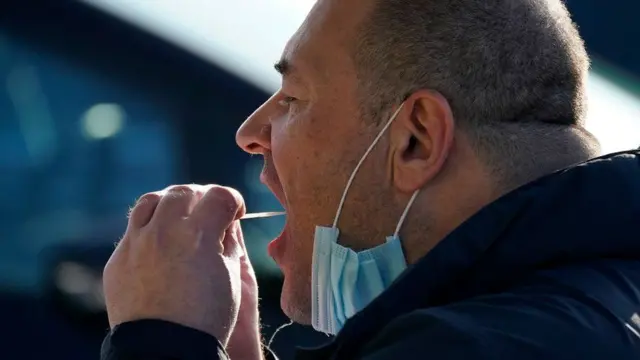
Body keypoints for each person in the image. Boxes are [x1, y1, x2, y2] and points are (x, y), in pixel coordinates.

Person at [100, 0, 640, 359]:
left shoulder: (467, 348)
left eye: (293, 99)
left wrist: (160, 340)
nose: (251, 132)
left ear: (415, 140)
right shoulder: (590, 299)